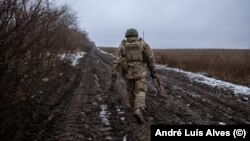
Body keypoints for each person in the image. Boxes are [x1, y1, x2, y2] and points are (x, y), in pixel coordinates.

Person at [111, 28, 157, 124]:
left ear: (127, 36)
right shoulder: (142, 44)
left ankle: (134, 109)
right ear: (136, 35)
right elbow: (151, 58)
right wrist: (154, 72)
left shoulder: (122, 46)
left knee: (130, 92)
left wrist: (113, 72)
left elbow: (116, 59)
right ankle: (138, 109)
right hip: (140, 72)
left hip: (128, 73)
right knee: (140, 91)